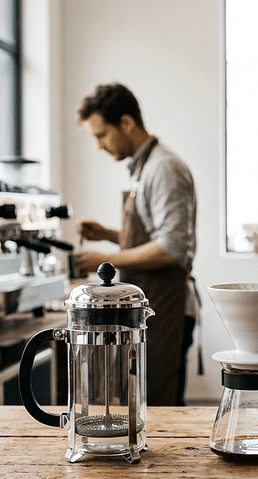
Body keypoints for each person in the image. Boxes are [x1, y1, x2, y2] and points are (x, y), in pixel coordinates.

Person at [73, 82, 198, 406]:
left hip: (164, 309)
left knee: (160, 404)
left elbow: (171, 247)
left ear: (126, 123)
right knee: (143, 402)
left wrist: (106, 258)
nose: (99, 145)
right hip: (149, 309)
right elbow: (156, 234)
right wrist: (108, 234)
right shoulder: (146, 167)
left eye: (101, 135)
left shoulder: (163, 167)